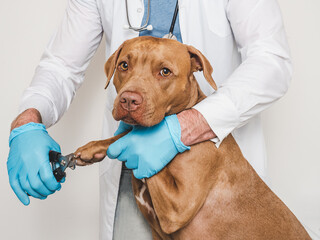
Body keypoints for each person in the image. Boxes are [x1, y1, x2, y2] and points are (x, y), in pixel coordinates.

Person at [7, 0, 292, 239]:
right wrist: (27, 122)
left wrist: (185, 126)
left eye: (164, 72)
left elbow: (271, 60)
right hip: (132, 162)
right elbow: (61, 64)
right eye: (125, 67)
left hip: (213, 156)